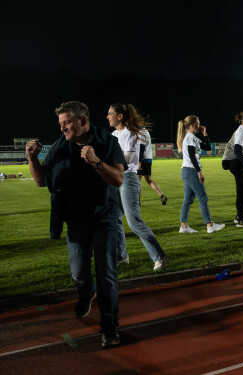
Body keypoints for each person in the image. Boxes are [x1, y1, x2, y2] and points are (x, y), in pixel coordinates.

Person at [26, 101, 126, 347]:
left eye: (67, 123)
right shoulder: (60, 147)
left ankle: (110, 327)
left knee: (107, 274)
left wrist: (96, 162)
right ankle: (85, 291)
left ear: (83, 120)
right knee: (79, 272)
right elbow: (40, 181)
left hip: (105, 216)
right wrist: (31, 157)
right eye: (61, 124)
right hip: (75, 220)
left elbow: (119, 179)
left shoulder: (106, 141)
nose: (63, 129)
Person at [107, 103, 168, 270]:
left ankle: (159, 256)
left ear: (120, 116)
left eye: (110, 113)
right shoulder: (113, 135)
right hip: (115, 179)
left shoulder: (132, 135)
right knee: (115, 218)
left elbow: (126, 161)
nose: (108, 116)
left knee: (134, 222)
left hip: (127, 179)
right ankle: (121, 257)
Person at [176, 115, 225, 233]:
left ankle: (184, 226)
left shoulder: (193, 138)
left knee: (187, 200)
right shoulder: (189, 138)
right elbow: (192, 157)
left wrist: (205, 134)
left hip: (187, 171)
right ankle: (210, 225)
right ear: (192, 125)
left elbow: (208, 148)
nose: (200, 125)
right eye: (198, 123)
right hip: (191, 171)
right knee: (202, 197)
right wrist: (199, 172)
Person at [222, 111, 243, 227]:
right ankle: (241, 219)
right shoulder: (241, 131)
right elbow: (237, 150)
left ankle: (239, 216)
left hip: (239, 162)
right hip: (237, 163)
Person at [137, 127, 168, 205]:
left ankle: (137, 201)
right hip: (148, 158)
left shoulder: (140, 132)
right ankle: (161, 195)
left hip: (142, 159)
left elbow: (141, 147)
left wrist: (139, 161)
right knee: (149, 181)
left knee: (138, 180)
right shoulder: (146, 131)